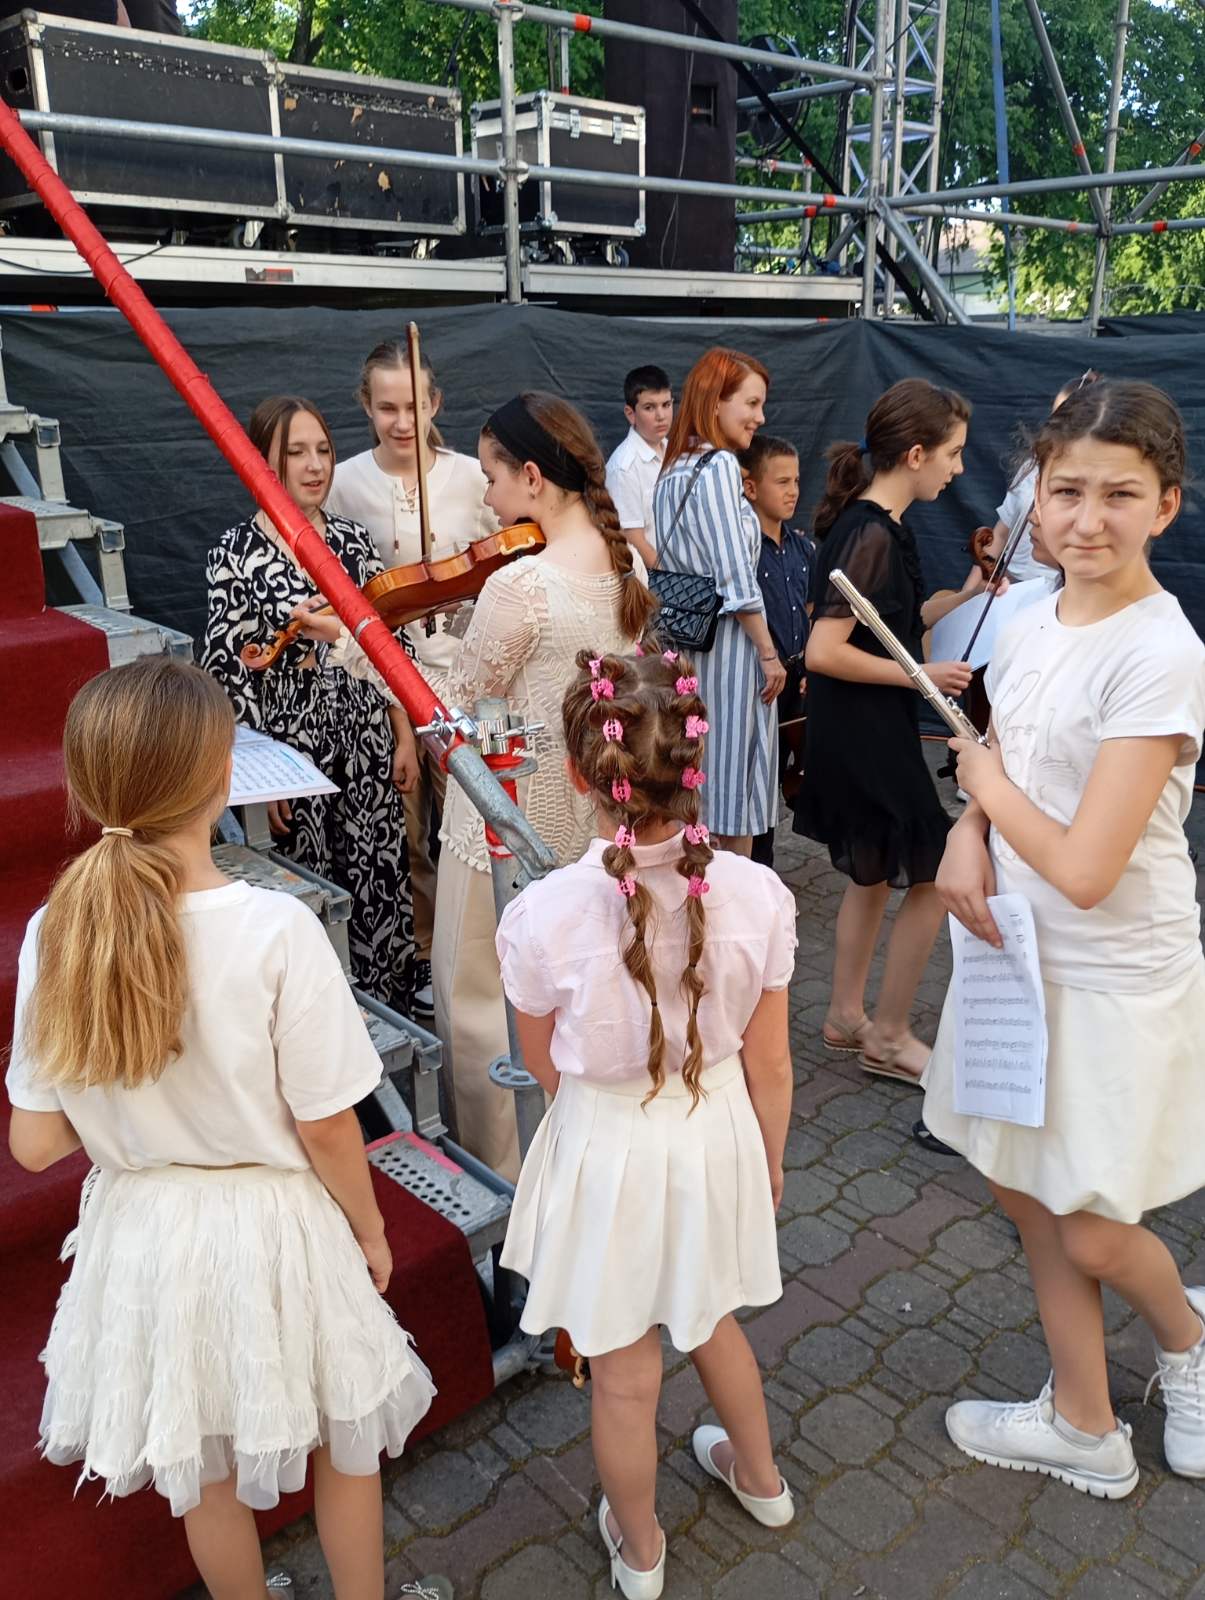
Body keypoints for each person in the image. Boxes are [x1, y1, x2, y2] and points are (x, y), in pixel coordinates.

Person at [5, 657, 435, 1598]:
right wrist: (369, 1230)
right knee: (344, 1435)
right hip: (274, 1223)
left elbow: (34, 1143)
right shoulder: (275, 929)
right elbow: (327, 1124)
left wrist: (129, 1104)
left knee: (201, 1463)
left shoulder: (56, 932)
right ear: (221, 777)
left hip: (146, 1234)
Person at [923, 380, 1205, 1496]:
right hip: (1012, 955)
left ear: (1165, 505)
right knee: (1022, 1191)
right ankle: (1084, 1420)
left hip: (1107, 972)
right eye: (1066, 491)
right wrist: (966, 830)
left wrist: (982, 790)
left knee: (1089, 1228)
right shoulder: (1030, 616)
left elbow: (1086, 870)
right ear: (1034, 499)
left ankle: (1186, 1342)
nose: (1087, 519)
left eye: (1118, 494)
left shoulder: (1160, 652)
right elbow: (1010, 753)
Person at [497, 649, 796, 1599]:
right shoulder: (760, 894)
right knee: (711, 1319)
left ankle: (640, 1551)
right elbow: (771, 1064)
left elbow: (542, 1058)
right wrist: (770, 1163)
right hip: (715, 1133)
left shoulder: (542, 914)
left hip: (608, 1142)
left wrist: (591, 1116)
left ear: (579, 773)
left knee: (624, 1376)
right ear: (693, 765)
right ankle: (762, 1481)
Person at [432, 392, 657, 1182]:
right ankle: (577, 1165)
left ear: (531, 477)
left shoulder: (520, 584)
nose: (486, 496)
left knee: (482, 1009)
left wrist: (370, 641)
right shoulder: (622, 564)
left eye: (491, 476)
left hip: (504, 823)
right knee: (573, 1003)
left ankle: (505, 1176)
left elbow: (457, 708)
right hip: (590, 823)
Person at [202, 395, 417, 1010]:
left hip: (366, 739)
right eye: (296, 452)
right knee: (308, 895)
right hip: (291, 755)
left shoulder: (352, 540)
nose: (315, 465)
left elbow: (389, 644)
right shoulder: (234, 553)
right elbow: (227, 673)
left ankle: (389, 1012)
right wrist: (259, 777)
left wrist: (403, 734)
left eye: (322, 449)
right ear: (262, 462)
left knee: (378, 881)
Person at [794, 379, 974, 1082]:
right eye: (952, 454)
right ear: (916, 453)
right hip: (862, 728)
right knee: (935, 865)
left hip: (871, 723)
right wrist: (920, 678)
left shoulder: (881, 526)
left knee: (872, 870)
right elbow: (822, 651)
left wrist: (966, 595)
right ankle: (890, 1034)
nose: (958, 468)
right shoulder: (868, 530)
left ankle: (846, 1016)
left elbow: (892, 624)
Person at [325, 339, 498, 1019]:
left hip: (463, 679)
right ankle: (424, 951)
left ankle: (477, 950)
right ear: (366, 407)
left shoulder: (471, 477)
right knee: (405, 831)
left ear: (436, 404)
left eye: (415, 406)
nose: (403, 422)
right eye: (387, 407)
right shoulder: (342, 482)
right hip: (383, 687)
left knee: (469, 822)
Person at [653, 348, 785, 857]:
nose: (760, 417)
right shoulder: (719, 467)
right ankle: (731, 899)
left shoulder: (673, 469)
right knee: (734, 798)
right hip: (729, 651)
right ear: (715, 402)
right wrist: (768, 653)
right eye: (751, 403)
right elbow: (735, 575)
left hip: (685, 648)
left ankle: (696, 895)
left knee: (697, 787)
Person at [740, 434, 814, 869]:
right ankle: (757, 870)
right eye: (782, 482)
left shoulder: (803, 548)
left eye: (797, 481)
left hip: (798, 678)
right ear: (751, 488)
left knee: (796, 772)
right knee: (758, 785)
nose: (793, 491)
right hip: (763, 682)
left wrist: (810, 663)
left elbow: (810, 608)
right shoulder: (744, 552)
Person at [987, 370, 1101, 582]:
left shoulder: (1095, 478)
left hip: (1055, 586)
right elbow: (1001, 533)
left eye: (1068, 417)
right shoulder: (1030, 467)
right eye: (1055, 415)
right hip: (1007, 586)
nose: (1056, 425)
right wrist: (973, 592)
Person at [605, 364, 673, 572]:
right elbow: (634, 540)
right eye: (649, 407)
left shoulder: (673, 451)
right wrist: (674, 581)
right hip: (654, 579)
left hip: (686, 573)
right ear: (631, 413)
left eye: (666, 405)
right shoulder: (624, 468)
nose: (661, 415)